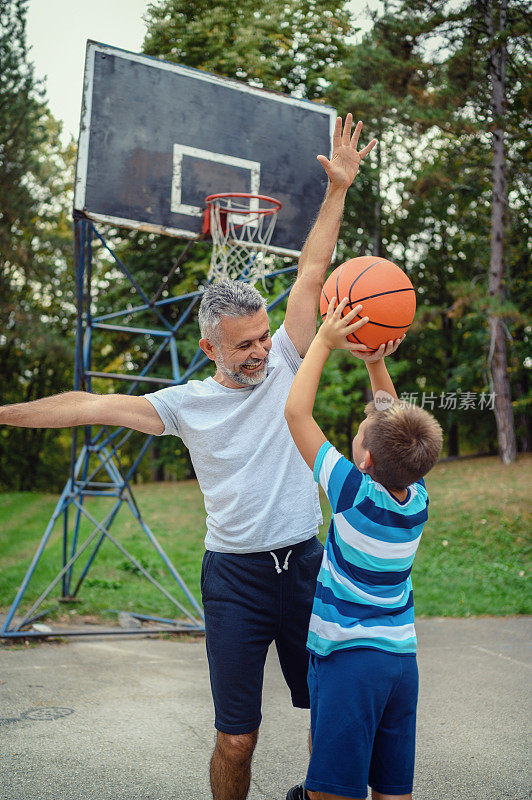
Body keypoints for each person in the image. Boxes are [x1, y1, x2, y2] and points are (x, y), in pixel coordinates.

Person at [0, 116, 376, 800]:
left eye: (264, 337)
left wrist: (338, 190)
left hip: (307, 564)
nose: (262, 351)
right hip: (234, 578)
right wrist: (2, 413)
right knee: (237, 736)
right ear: (211, 350)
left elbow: (313, 269)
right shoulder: (185, 404)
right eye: (245, 346)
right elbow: (88, 405)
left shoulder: (290, 354)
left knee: (332, 708)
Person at [283, 297, 443, 800]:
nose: (360, 427)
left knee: (334, 790)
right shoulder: (415, 497)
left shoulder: (352, 496)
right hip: (400, 662)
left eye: (358, 433)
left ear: (366, 458)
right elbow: (390, 416)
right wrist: (375, 357)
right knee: (393, 791)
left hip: (350, 662)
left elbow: (295, 411)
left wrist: (326, 343)